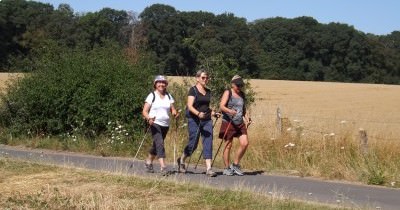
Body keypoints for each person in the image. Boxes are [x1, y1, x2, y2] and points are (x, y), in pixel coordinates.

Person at [177, 69, 220, 177]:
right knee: (193, 144)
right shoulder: (193, 90)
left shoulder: (208, 91)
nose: (205, 79)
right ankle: (182, 159)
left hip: (206, 120)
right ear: (197, 78)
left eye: (207, 78)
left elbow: (206, 107)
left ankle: (209, 168)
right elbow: (190, 106)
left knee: (208, 142)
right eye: (203, 77)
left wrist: (213, 113)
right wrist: (198, 113)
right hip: (194, 119)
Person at [142, 75, 178, 175]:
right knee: (160, 143)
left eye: (163, 82)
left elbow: (172, 108)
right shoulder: (152, 96)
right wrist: (149, 118)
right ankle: (163, 166)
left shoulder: (168, 96)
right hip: (154, 123)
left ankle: (148, 162)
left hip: (165, 124)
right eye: (159, 82)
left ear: (166, 84)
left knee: (156, 145)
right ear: (155, 84)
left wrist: (174, 112)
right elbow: (144, 111)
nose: (161, 84)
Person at [218, 75, 252, 176]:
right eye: (238, 85)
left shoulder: (242, 94)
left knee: (245, 143)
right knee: (228, 145)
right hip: (228, 122)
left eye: (241, 85)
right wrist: (230, 111)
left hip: (239, 123)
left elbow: (243, 109)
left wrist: (247, 118)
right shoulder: (228, 92)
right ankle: (227, 168)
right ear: (232, 84)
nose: (239, 87)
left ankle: (235, 165)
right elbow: (222, 106)